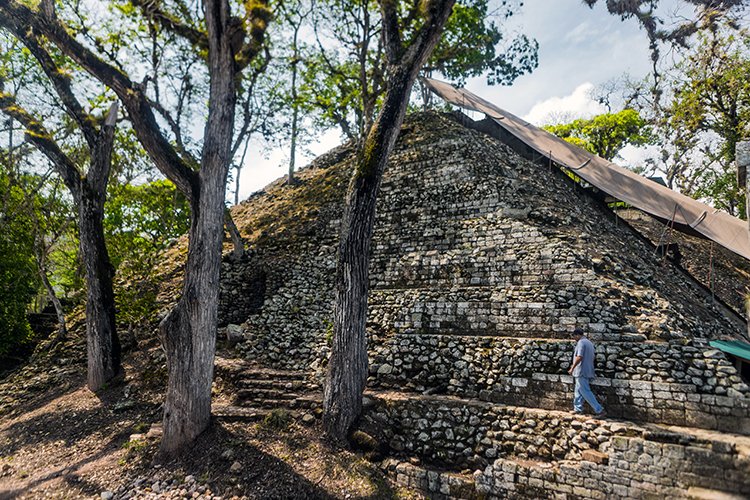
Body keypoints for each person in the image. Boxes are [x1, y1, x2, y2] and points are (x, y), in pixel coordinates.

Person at [567, 327, 606, 417]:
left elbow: (579, 357)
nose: (574, 338)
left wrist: (572, 368)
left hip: (581, 370)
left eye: (574, 336)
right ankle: (578, 408)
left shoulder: (581, 343)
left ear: (577, 335)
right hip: (587, 369)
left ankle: (599, 410)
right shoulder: (589, 342)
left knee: (585, 391)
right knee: (578, 390)